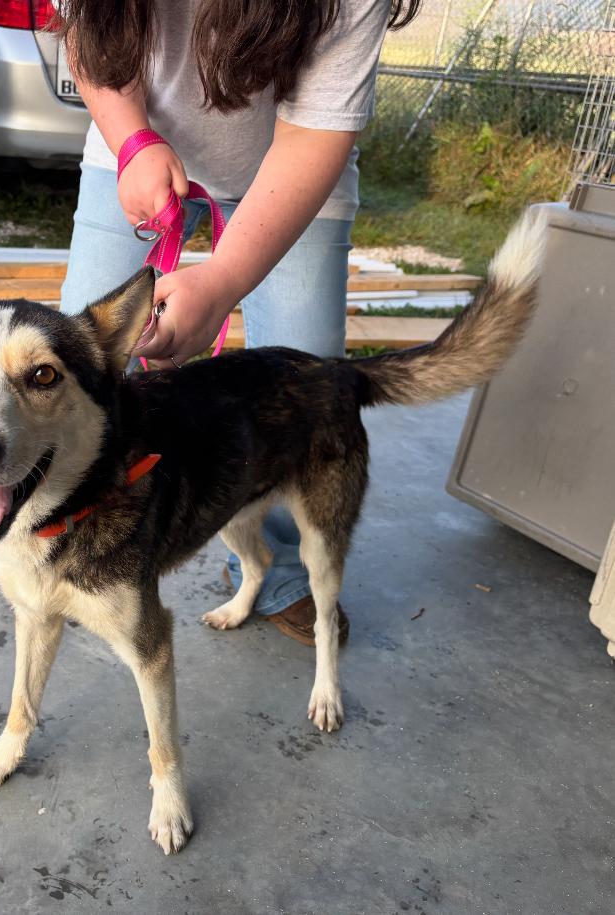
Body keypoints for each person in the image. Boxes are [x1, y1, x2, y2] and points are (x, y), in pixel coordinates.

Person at [57, 0, 420, 644]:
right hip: (136, 146)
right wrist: (132, 139)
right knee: (77, 363)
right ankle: (80, 529)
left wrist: (222, 283)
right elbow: (89, 29)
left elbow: (315, 133)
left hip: (294, 176)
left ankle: (275, 569)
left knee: (308, 389)